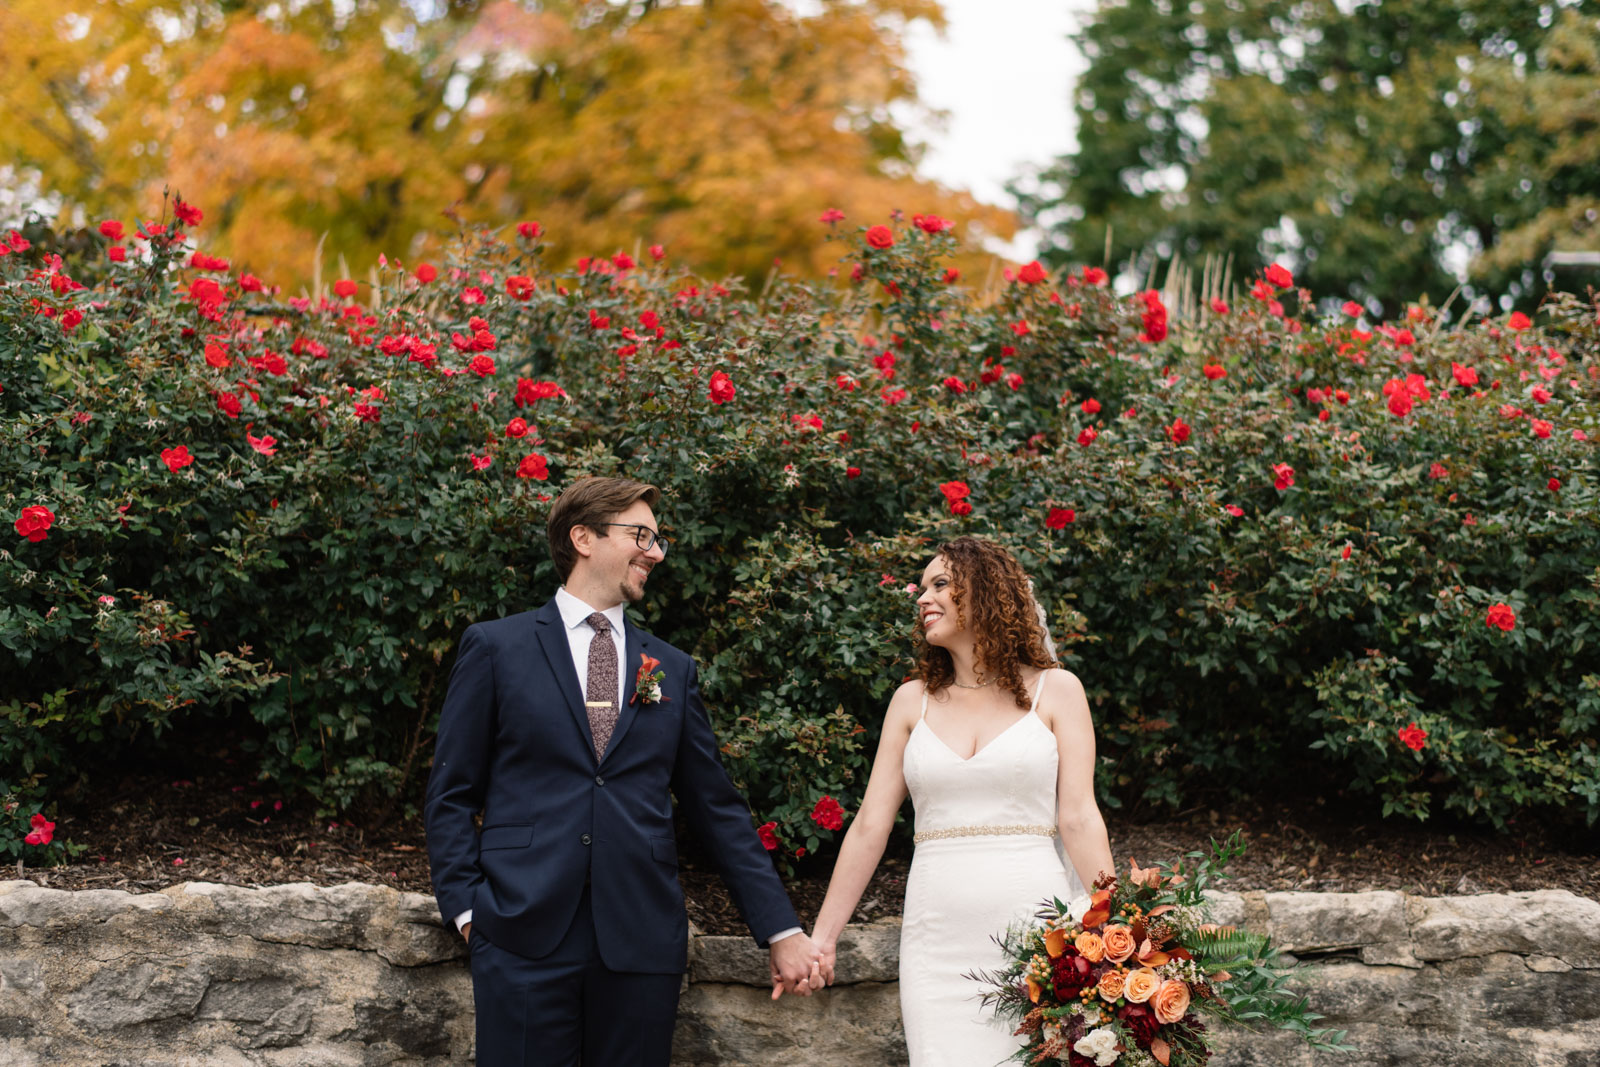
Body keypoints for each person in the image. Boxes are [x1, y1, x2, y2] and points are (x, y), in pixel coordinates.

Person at [423, 476, 823, 1067]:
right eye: (641, 535)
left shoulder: (672, 669)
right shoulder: (495, 648)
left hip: (640, 941)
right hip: (519, 935)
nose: (655, 552)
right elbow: (451, 794)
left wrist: (781, 929)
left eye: (659, 540)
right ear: (583, 537)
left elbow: (717, 808)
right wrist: (467, 912)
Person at [809, 535, 1115, 1066]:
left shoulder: (1057, 691)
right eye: (922, 587)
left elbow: (1080, 817)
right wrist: (823, 938)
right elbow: (869, 826)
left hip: (1036, 932)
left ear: (987, 593)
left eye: (941, 584)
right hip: (936, 936)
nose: (923, 597)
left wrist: (1121, 925)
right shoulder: (911, 702)